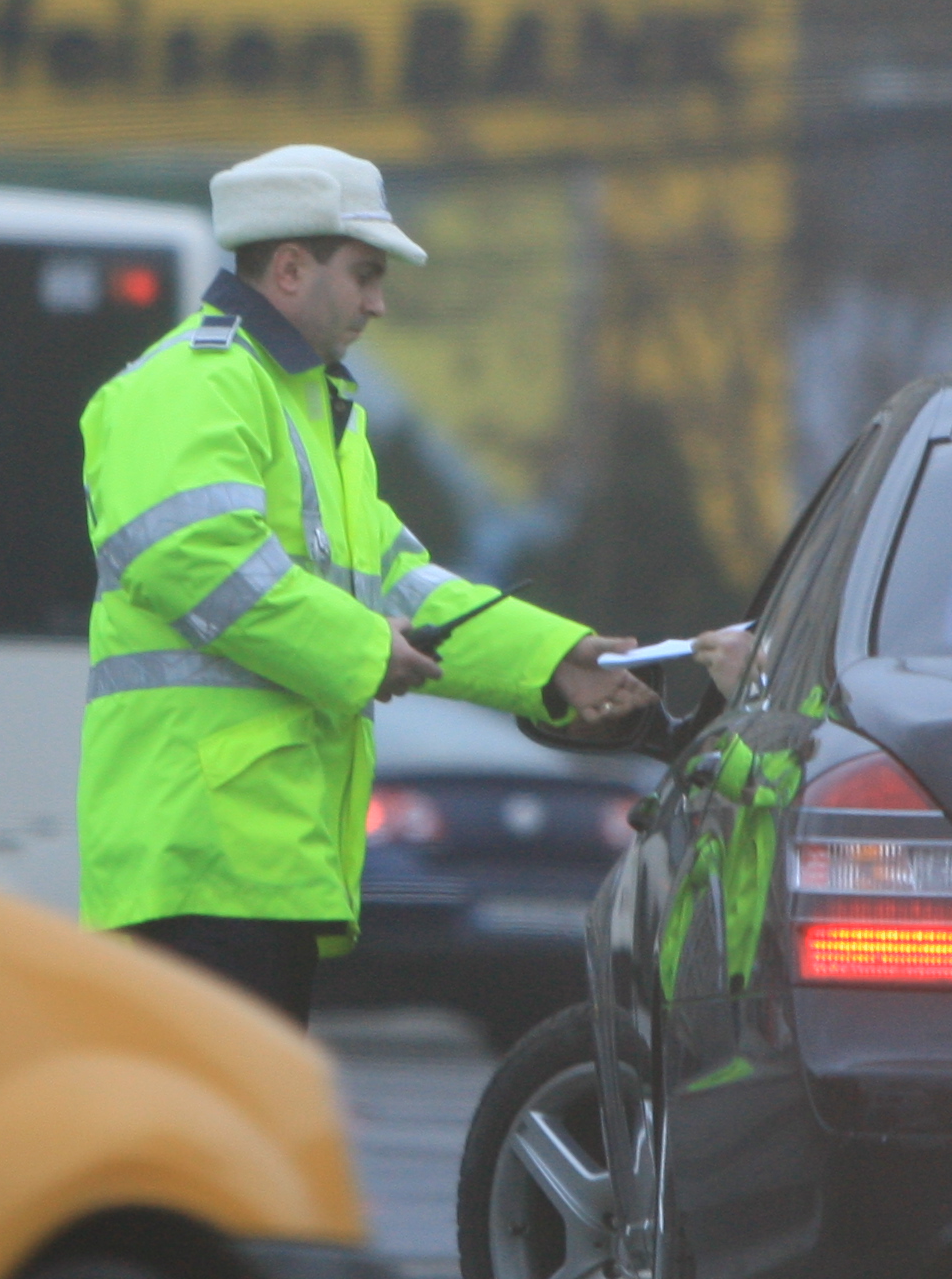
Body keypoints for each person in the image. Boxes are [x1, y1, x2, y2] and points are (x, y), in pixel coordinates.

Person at [76, 143, 654, 1022]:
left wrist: (553, 659)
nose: (380, 304)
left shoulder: (311, 409)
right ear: (291, 267)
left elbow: (404, 589)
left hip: (250, 858)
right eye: (366, 275)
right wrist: (361, 649)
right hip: (197, 862)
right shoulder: (197, 383)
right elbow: (197, 558)